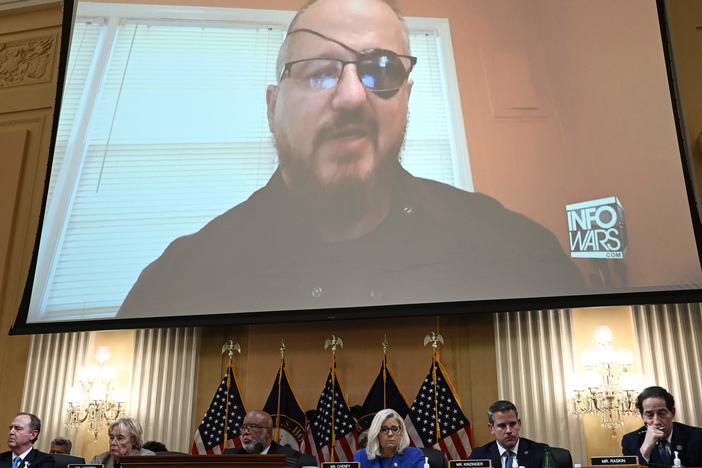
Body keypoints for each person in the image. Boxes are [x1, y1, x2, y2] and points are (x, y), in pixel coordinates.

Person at [117, 0, 584, 319]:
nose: (350, 97)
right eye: (318, 72)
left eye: (381, 70)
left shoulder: (519, 253)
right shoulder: (177, 283)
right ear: (272, 105)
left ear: (407, 97)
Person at [621, 386, 702, 466]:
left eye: (662, 413)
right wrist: (645, 449)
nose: (656, 421)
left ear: (672, 412)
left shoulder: (697, 437)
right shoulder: (630, 441)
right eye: (649, 415)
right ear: (642, 416)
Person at [223, 410, 316, 468]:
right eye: (244, 427)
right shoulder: (230, 457)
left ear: (267, 433)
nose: (246, 432)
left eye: (253, 426)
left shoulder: (292, 458)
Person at [469, 400, 546, 468]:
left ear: (519, 424)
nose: (508, 431)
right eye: (502, 426)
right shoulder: (478, 456)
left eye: (512, 424)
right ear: (491, 428)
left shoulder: (540, 452)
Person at [354, 408, 423, 468]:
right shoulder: (361, 456)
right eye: (384, 429)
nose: (390, 434)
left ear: (401, 432)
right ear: (376, 433)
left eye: (394, 429)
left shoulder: (415, 455)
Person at [90, 418, 155, 468]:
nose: (113, 443)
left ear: (133, 440)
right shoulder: (100, 459)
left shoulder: (146, 458)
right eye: (112, 437)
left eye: (120, 438)